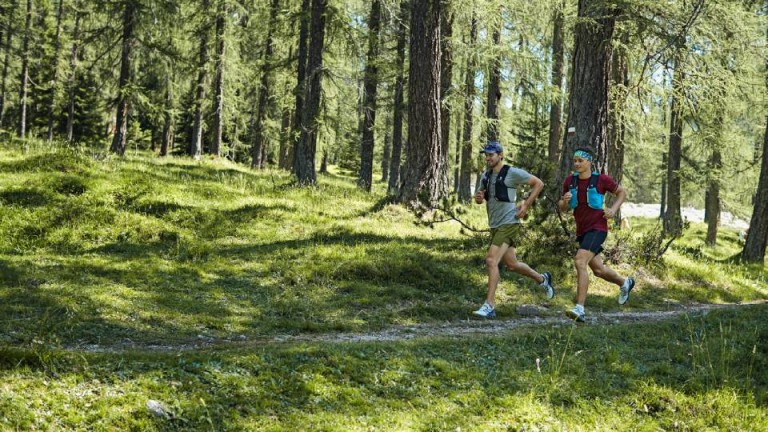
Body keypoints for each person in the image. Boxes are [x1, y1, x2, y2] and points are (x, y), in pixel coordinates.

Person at [472, 141, 555, 319]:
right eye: (486, 155)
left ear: (500, 155)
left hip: (510, 222)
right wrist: (479, 198)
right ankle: (542, 279)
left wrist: (525, 205)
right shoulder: (485, 176)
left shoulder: (512, 173)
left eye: (491, 155)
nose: (487, 158)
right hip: (494, 224)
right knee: (512, 264)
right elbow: (480, 199)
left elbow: (538, 183)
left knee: (491, 260)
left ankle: (489, 306)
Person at [558, 147, 635, 322]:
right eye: (575, 160)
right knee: (598, 270)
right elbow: (562, 208)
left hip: (598, 228)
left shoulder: (601, 180)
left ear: (589, 162)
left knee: (579, 260)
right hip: (582, 231)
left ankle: (580, 308)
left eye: (581, 161)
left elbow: (622, 192)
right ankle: (625, 283)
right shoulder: (570, 181)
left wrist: (613, 210)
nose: (577, 164)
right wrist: (564, 201)